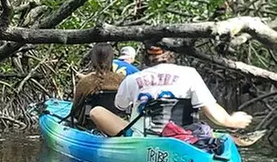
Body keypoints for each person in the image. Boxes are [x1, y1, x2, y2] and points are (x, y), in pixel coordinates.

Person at [90, 42, 252, 137]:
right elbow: (211, 109)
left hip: (142, 140)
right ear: (172, 54)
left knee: (97, 111)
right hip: (182, 137)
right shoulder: (190, 73)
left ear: (145, 57)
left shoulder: (132, 79)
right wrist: (230, 121)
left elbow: (120, 106)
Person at [70, 43, 125, 126]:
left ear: (93, 60)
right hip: (117, 124)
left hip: (90, 125)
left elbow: (75, 110)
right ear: (111, 60)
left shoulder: (85, 82)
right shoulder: (123, 80)